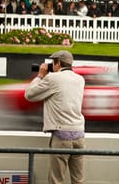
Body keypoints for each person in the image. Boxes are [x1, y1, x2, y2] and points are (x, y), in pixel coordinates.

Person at [25, 50, 86, 184]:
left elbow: (29, 94)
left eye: (53, 62)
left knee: (56, 180)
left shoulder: (52, 78)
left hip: (61, 135)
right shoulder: (80, 79)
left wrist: (40, 75)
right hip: (79, 135)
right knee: (79, 180)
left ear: (58, 63)